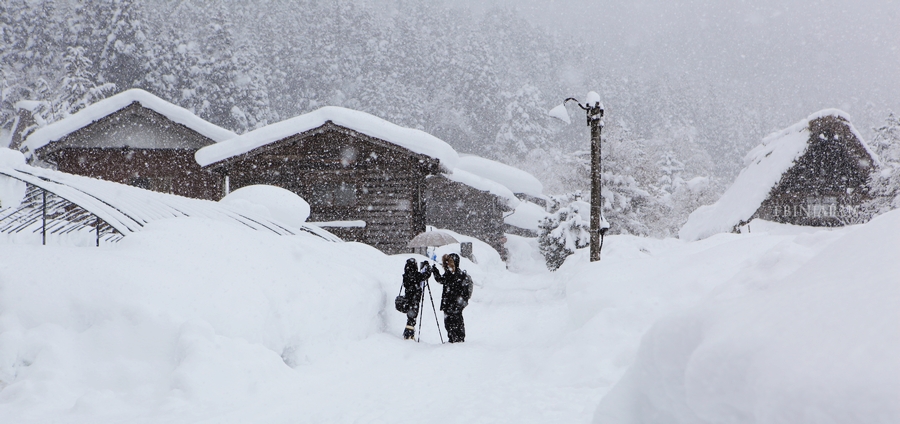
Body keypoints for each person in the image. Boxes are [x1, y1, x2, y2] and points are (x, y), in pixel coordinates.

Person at [432, 253, 468, 343]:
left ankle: (458, 338)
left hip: (454, 304)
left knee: (455, 321)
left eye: (449, 262)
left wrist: (460, 302)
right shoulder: (450, 274)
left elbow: (464, 292)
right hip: (450, 303)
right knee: (449, 322)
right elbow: (441, 280)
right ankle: (453, 338)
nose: (447, 265)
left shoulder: (459, 275)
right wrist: (435, 271)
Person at [401, 258, 431, 340]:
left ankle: (409, 333)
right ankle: (408, 334)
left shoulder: (406, 276)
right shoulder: (416, 275)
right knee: (412, 316)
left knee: (410, 316)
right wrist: (427, 267)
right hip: (415, 299)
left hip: (408, 298)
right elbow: (426, 275)